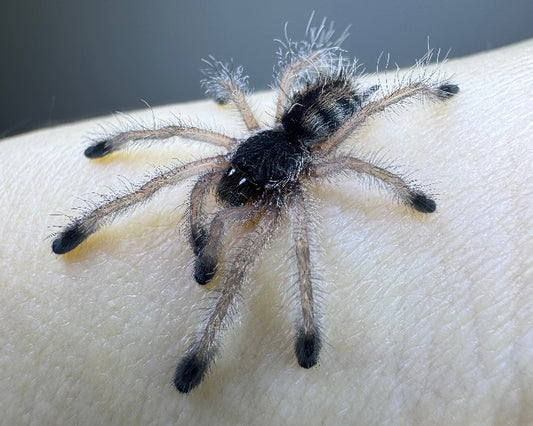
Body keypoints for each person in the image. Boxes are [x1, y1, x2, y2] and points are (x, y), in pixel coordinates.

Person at [1, 39, 531, 424]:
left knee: (247, 267)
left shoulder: (297, 189)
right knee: (170, 176)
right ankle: (83, 227)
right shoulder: (230, 153)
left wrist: (408, 191)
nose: (226, 188)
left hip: (303, 147)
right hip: (272, 139)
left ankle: (205, 351)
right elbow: (186, 128)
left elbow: (313, 230)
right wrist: (197, 240)